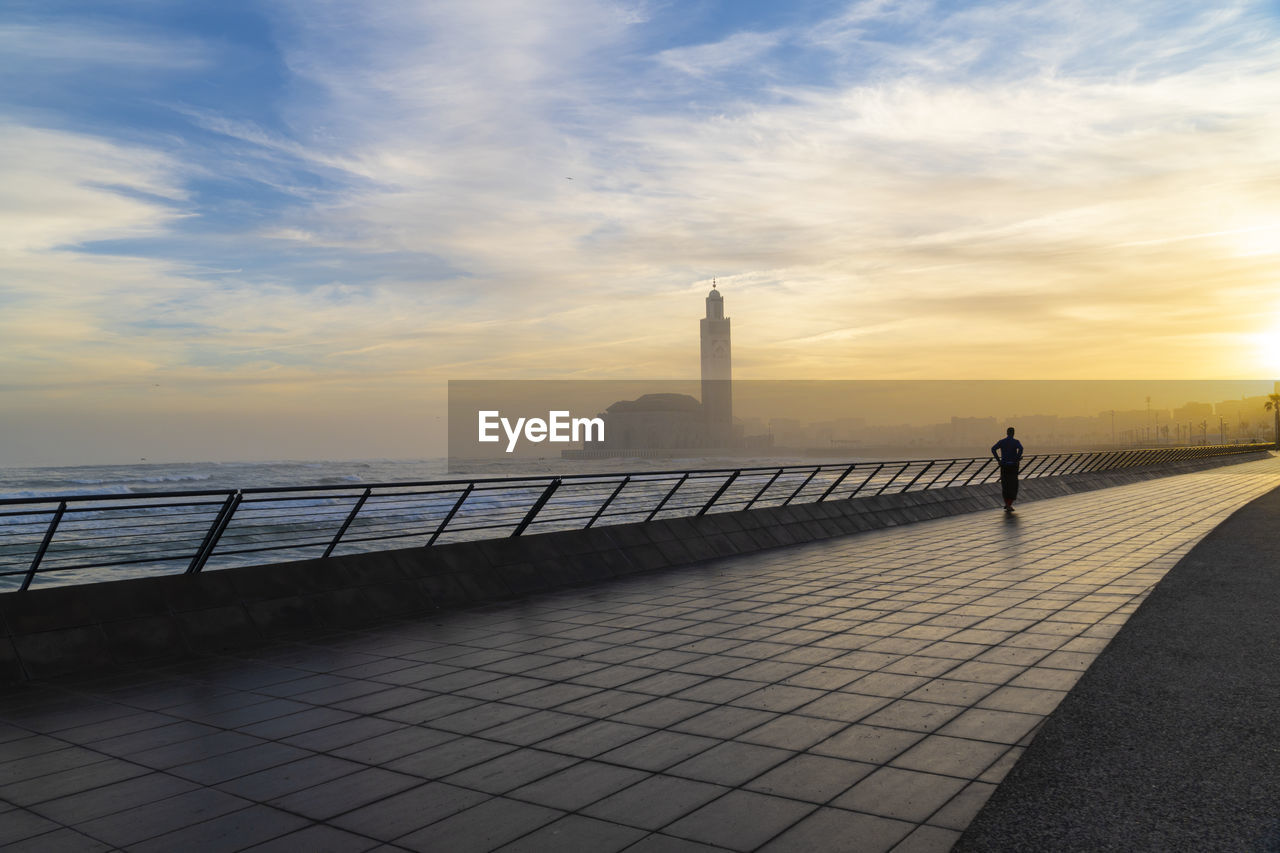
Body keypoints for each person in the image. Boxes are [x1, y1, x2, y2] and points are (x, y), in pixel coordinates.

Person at [991, 427, 1024, 513]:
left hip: (1004, 465)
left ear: (1007, 433)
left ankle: (1007, 504)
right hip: (1013, 466)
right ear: (1013, 433)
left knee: (1005, 485)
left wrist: (999, 460)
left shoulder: (1002, 442)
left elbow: (993, 449)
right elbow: (1021, 449)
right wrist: (1016, 459)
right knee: (1013, 485)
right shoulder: (1016, 442)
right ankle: (1009, 504)